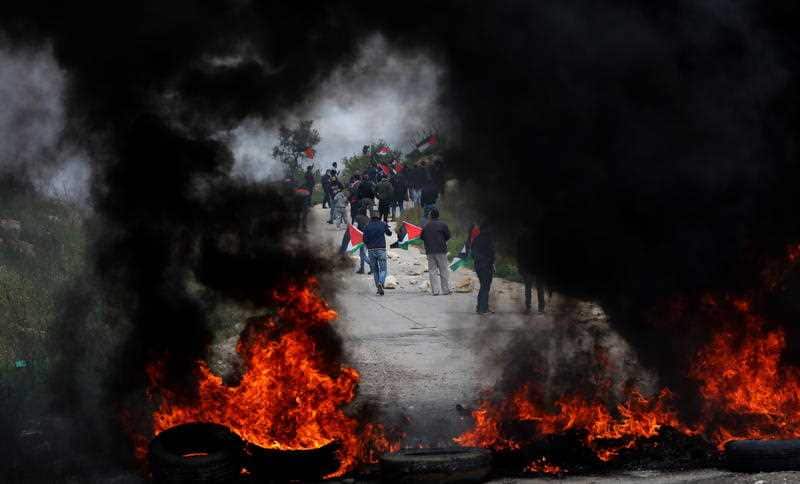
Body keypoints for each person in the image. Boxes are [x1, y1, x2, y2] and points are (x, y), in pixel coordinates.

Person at [421, 207, 451, 296]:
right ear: (438, 215)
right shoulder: (443, 225)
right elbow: (448, 236)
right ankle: (445, 290)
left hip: (430, 251)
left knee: (432, 271)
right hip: (441, 250)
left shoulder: (426, 226)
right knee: (443, 270)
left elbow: (422, 237)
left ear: (430, 216)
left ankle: (435, 291)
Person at [363, 210, 392, 295]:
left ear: (371, 216)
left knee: (375, 270)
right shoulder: (382, 224)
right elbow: (389, 233)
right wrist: (386, 227)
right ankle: (380, 283)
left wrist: (369, 244)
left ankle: (378, 287)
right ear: (379, 216)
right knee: (383, 269)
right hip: (381, 249)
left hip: (371, 250)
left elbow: (364, 239)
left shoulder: (367, 226)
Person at [471, 221, 495, 314]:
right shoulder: (489, 239)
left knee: (483, 286)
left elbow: (473, 254)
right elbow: (492, 253)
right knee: (485, 287)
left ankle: (481, 307)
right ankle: (482, 309)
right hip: (486, 266)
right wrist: (490, 262)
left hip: (478, 266)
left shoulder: (476, 239)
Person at [354, 210, 371, 274]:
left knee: (362, 254)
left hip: (361, 237)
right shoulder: (368, 218)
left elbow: (354, 227)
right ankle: (362, 268)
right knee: (363, 254)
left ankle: (370, 266)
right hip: (368, 237)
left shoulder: (357, 217)